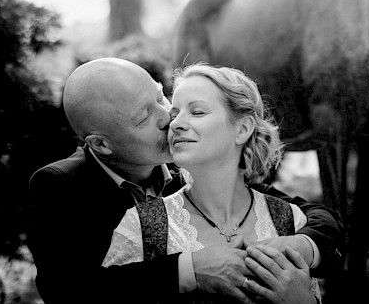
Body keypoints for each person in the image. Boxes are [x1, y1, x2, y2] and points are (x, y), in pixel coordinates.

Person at [27, 57, 343, 304]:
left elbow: (312, 217)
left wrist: (302, 245)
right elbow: (70, 294)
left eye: (161, 97)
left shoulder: (191, 164)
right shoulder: (61, 185)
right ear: (101, 145)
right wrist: (190, 269)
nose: (169, 118)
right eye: (144, 117)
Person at [103, 62, 324, 303]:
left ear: (243, 129)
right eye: (174, 115)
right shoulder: (138, 227)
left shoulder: (290, 220)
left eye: (197, 112)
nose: (175, 124)